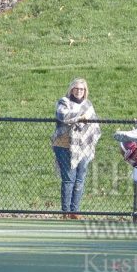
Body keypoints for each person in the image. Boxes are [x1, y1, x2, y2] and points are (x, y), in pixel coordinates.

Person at [51, 78, 101, 218]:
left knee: (80, 179)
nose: (79, 91)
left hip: (84, 147)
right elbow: (62, 115)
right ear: (71, 89)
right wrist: (80, 118)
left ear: (85, 91)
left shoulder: (88, 105)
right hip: (64, 145)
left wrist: (84, 121)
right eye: (76, 88)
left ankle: (75, 211)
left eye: (82, 89)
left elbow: (94, 125)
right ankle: (65, 212)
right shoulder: (64, 102)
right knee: (69, 179)